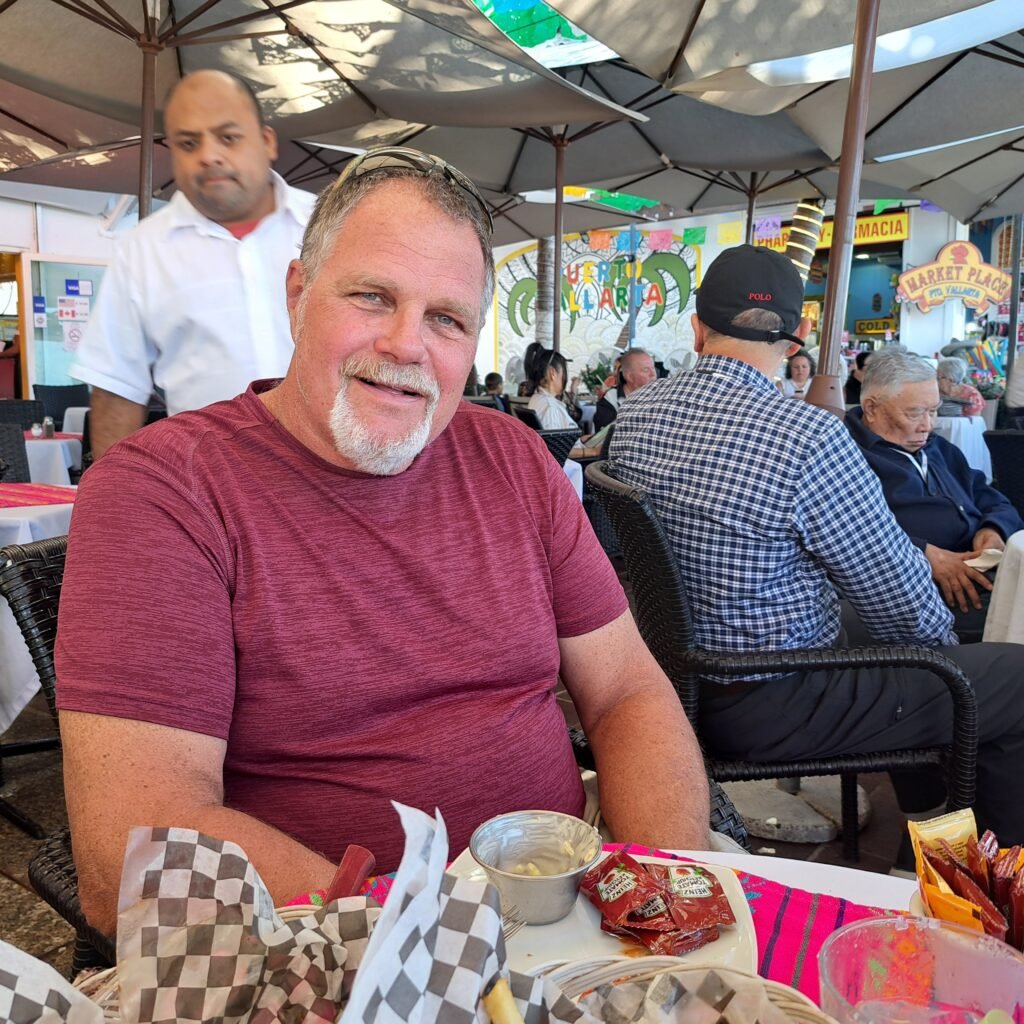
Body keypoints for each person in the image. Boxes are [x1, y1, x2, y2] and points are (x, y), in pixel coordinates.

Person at [56, 147, 710, 936]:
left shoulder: (511, 458)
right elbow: (134, 851)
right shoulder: (167, 489)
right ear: (298, 295)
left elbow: (627, 691)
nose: (406, 345)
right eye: (372, 296)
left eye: (446, 319)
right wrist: (434, 952)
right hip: (332, 952)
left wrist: (668, 899)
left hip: (574, 908)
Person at [611, 243, 1024, 845]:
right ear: (797, 335)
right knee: (1009, 677)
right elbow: (902, 600)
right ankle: (989, 882)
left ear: (698, 329)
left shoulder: (635, 415)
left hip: (673, 679)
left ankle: (928, 817)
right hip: (772, 700)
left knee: (906, 649)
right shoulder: (806, 434)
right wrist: (947, 667)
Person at [70, 69, 315, 460]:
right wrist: (114, 494)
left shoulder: (331, 224)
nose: (208, 156)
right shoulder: (142, 250)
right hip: (206, 482)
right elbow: (118, 389)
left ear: (267, 141)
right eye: (188, 143)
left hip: (340, 475)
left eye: (228, 137)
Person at [846, 350, 1023, 638]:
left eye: (933, 411)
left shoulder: (939, 448)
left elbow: (994, 499)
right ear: (872, 408)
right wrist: (923, 554)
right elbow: (848, 535)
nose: (928, 425)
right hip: (918, 595)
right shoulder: (845, 457)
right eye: (915, 413)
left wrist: (993, 529)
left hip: (985, 573)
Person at [592, 348, 657, 431]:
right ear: (629, 376)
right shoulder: (611, 399)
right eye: (646, 370)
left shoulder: (661, 395)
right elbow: (606, 434)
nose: (653, 374)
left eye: (653, 368)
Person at [524, 341, 580, 430]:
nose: (565, 377)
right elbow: (553, 439)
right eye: (564, 372)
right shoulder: (550, 407)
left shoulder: (536, 398)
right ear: (552, 373)